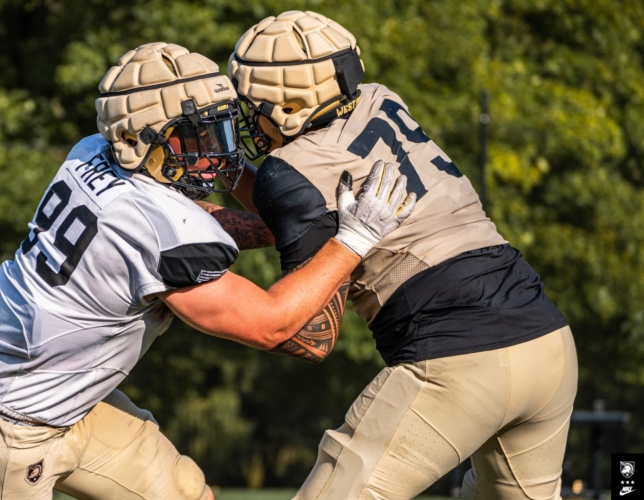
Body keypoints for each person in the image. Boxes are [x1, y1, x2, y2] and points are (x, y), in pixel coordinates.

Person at [0, 42, 415, 500]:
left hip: (57, 401)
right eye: (196, 135)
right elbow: (272, 325)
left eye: (217, 128)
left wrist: (276, 228)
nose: (213, 149)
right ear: (138, 141)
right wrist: (353, 239)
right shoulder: (154, 227)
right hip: (0, 436)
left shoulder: (92, 152)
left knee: (187, 492)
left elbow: (185, 223)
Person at [224, 11, 577, 500]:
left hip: (457, 360)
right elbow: (300, 205)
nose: (244, 115)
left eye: (251, 103)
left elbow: (309, 338)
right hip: (547, 342)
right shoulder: (380, 99)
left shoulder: (289, 169)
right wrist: (226, 171)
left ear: (291, 107)